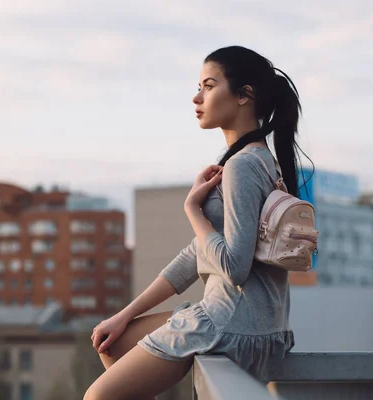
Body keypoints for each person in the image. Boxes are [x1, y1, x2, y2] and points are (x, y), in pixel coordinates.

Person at [84, 45, 309, 400]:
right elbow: (198, 253)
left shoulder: (244, 166)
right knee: (112, 343)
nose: (196, 97)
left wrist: (193, 210)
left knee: (98, 397)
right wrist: (125, 315)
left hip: (235, 324)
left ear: (243, 96)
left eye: (208, 86)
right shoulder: (255, 161)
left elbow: (234, 267)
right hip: (252, 321)